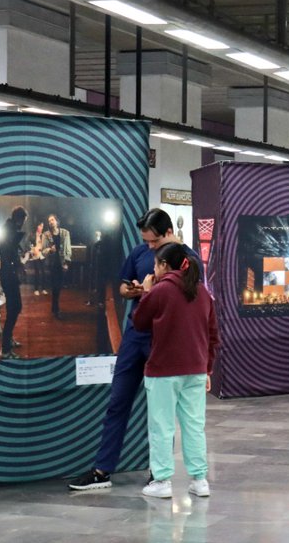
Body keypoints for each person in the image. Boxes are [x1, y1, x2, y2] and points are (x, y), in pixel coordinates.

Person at [70, 209, 196, 490]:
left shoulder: (187, 257)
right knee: (117, 402)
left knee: (161, 411)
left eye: (153, 242)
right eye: (146, 242)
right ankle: (102, 471)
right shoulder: (140, 253)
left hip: (162, 341)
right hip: (134, 336)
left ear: (167, 233)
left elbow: (189, 296)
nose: (149, 247)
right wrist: (136, 291)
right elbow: (123, 289)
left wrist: (155, 291)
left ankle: (159, 473)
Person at [132, 243, 220, 499]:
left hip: (163, 370)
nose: (153, 270)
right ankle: (199, 479)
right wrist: (207, 370)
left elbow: (139, 322)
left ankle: (162, 481)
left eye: (156, 265)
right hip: (196, 369)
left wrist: (145, 292)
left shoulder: (160, 291)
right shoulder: (202, 291)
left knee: (162, 426)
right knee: (194, 426)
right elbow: (213, 334)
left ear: (164, 266)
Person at [0, 205, 28, 359]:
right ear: (19, 218)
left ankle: (8, 340)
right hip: (9, 275)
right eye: (23, 221)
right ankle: (5, 349)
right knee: (14, 308)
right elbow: (8, 253)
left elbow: (10, 251)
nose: (23, 224)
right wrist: (19, 264)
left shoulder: (9, 229)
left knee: (14, 308)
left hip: (9, 273)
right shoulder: (8, 230)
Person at [44, 214, 73, 318]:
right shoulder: (46, 235)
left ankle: (54, 307)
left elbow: (68, 249)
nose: (50, 222)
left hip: (61, 264)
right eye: (49, 220)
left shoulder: (65, 233)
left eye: (52, 220)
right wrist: (49, 250)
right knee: (54, 286)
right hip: (51, 264)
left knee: (58, 287)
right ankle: (56, 309)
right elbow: (43, 250)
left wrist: (67, 263)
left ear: (57, 221)